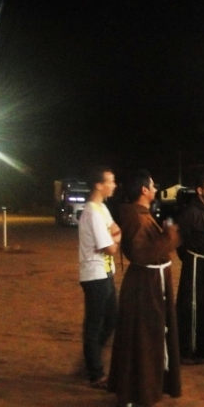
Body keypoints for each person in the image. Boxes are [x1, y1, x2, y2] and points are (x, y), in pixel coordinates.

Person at [107, 170, 181, 407]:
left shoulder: (141, 215)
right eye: (152, 185)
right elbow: (141, 253)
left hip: (149, 284)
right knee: (140, 341)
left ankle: (143, 392)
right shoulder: (137, 218)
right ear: (144, 190)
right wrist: (170, 236)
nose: (155, 189)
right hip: (144, 286)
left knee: (147, 339)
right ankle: (131, 400)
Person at [78, 166, 121, 389]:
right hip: (94, 275)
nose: (114, 185)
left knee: (111, 319)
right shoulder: (93, 213)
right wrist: (115, 238)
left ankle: (91, 360)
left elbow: (115, 232)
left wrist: (114, 237)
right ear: (98, 185)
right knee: (94, 325)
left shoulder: (102, 208)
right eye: (110, 181)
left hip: (105, 272)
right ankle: (95, 372)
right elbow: (110, 248)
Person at [175, 172, 204, 363]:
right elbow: (180, 241)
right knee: (194, 308)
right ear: (199, 190)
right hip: (196, 266)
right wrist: (191, 260)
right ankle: (189, 351)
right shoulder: (190, 213)